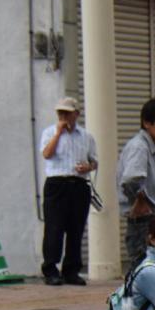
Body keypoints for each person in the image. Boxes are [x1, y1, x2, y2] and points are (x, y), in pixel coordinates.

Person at [39, 96, 97, 285]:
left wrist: (87, 167)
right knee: (54, 227)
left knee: (76, 228)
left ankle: (71, 270)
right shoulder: (49, 132)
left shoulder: (86, 136)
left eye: (67, 113)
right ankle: (50, 269)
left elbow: (94, 161)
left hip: (78, 183)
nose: (63, 116)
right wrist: (58, 133)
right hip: (57, 183)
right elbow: (47, 154)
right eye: (60, 113)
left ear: (76, 114)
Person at [118, 98, 155, 265]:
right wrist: (140, 200)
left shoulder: (149, 146)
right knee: (144, 272)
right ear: (147, 122)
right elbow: (131, 179)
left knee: (153, 269)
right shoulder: (140, 146)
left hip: (151, 219)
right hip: (143, 222)